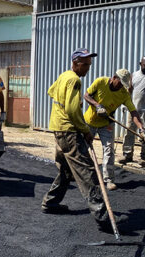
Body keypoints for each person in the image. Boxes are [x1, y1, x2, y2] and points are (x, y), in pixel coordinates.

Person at [41, 48, 127, 231]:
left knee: (66, 170)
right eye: (85, 64)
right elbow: (72, 111)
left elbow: (51, 92)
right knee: (88, 172)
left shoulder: (64, 76)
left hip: (58, 128)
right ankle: (103, 217)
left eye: (89, 64)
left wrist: (69, 102)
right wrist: (84, 131)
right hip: (70, 132)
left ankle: (50, 203)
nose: (88, 68)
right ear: (75, 63)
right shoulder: (74, 80)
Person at [83, 69, 145, 190]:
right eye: (120, 83)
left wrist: (142, 129)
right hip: (89, 122)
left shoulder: (124, 94)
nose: (122, 86)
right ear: (114, 77)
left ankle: (109, 180)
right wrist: (97, 105)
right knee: (83, 149)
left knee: (109, 150)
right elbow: (86, 95)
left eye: (124, 84)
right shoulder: (101, 82)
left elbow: (134, 113)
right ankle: (85, 175)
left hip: (107, 124)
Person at [119, 57, 145, 164]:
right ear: (140, 63)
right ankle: (127, 155)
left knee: (144, 134)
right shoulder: (134, 75)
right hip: (133, 110)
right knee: (129, 131)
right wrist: (125, 104)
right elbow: (129, 91)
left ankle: (143, 157)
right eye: (144, 64)